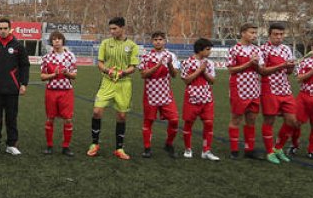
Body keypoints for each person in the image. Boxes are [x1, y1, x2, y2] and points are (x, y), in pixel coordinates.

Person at [89, 17, 138, 160]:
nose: (111, 31)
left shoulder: (132, 46)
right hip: (107, 82)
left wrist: (122, 73)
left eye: (114, 29)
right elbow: (100, 63)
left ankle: (119, 148)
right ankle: (94, 144)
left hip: (124, 84)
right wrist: (107, 71)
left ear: (123, 28)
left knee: (122, 116)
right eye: (110, 29)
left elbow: (133, 67)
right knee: (97, 111)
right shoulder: (105, 43)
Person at [0, 18, 29, 155]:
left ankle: (12, 144)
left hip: (12, 89)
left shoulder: (18, 46)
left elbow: (24, 66)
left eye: (5, 28)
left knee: (11, 118)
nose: (3, 31)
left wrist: (23, 84)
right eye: (1, 28)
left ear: (10, 29)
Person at [257, 23, 297, 164]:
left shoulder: (286, 49)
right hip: (269, 89)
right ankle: (269, 152)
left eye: (281, 34)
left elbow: (289, 72)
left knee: (292, 121)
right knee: (269, 120)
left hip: (285, 88)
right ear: (269, 35)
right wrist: (282, 65)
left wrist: (291, 67)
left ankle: (278, 148)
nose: (279, 37)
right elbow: (262, 71)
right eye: (276, 34)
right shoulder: (262, 50)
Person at [226, 22, 265, 160]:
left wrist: (257, 66)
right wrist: (249, 63)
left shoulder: (258, 50)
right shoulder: (234, 50)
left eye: (255, 33)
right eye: (251, 32)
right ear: (243, 33)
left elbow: (262, 71)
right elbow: (231, 70)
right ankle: (234, 150)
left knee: (251, 119)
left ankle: (249, 149)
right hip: (239, 88)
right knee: (236, 118)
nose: (254, 35)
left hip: (254, 89)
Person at [139, 31, 180, 159]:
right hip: (150, 94)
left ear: (165, 41)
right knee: (148, 121)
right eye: (155, 39)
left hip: (166, 93)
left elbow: (174, 75)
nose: (158, 41)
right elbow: (143, 75)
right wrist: (157, 66)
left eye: (160, 39)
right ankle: (147, 148)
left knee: (174, 120)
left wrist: (168, 64)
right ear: (152, 41)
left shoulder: (171, 56)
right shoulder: (146, 56)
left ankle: (169, 144)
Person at [180, 38, 219, 160]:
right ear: (199, 50)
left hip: (207, 97)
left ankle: (206, 151)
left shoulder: (210, 63)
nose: (210, 52)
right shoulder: (187, 62)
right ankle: (187, 149)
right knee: (188, 124)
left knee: (209, 123)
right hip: (192, 97)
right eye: (208, 49)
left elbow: (212, 81)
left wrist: (204, 72)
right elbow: (186, 80)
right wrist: (199, 70)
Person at [40, 30, 77, 156]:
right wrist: (53, 74)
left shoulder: (70, 56)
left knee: (68, 119)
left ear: (62, 41)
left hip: (66, 92)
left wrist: (67, 73)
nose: (56, 41)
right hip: (51, 91)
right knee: (50, 119)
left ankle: (66, 147)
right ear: (51, 42)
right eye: (54, 39)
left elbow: (74, 75)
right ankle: (49, 145)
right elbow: (42, 77)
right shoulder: (47, 57)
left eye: (58, 39)